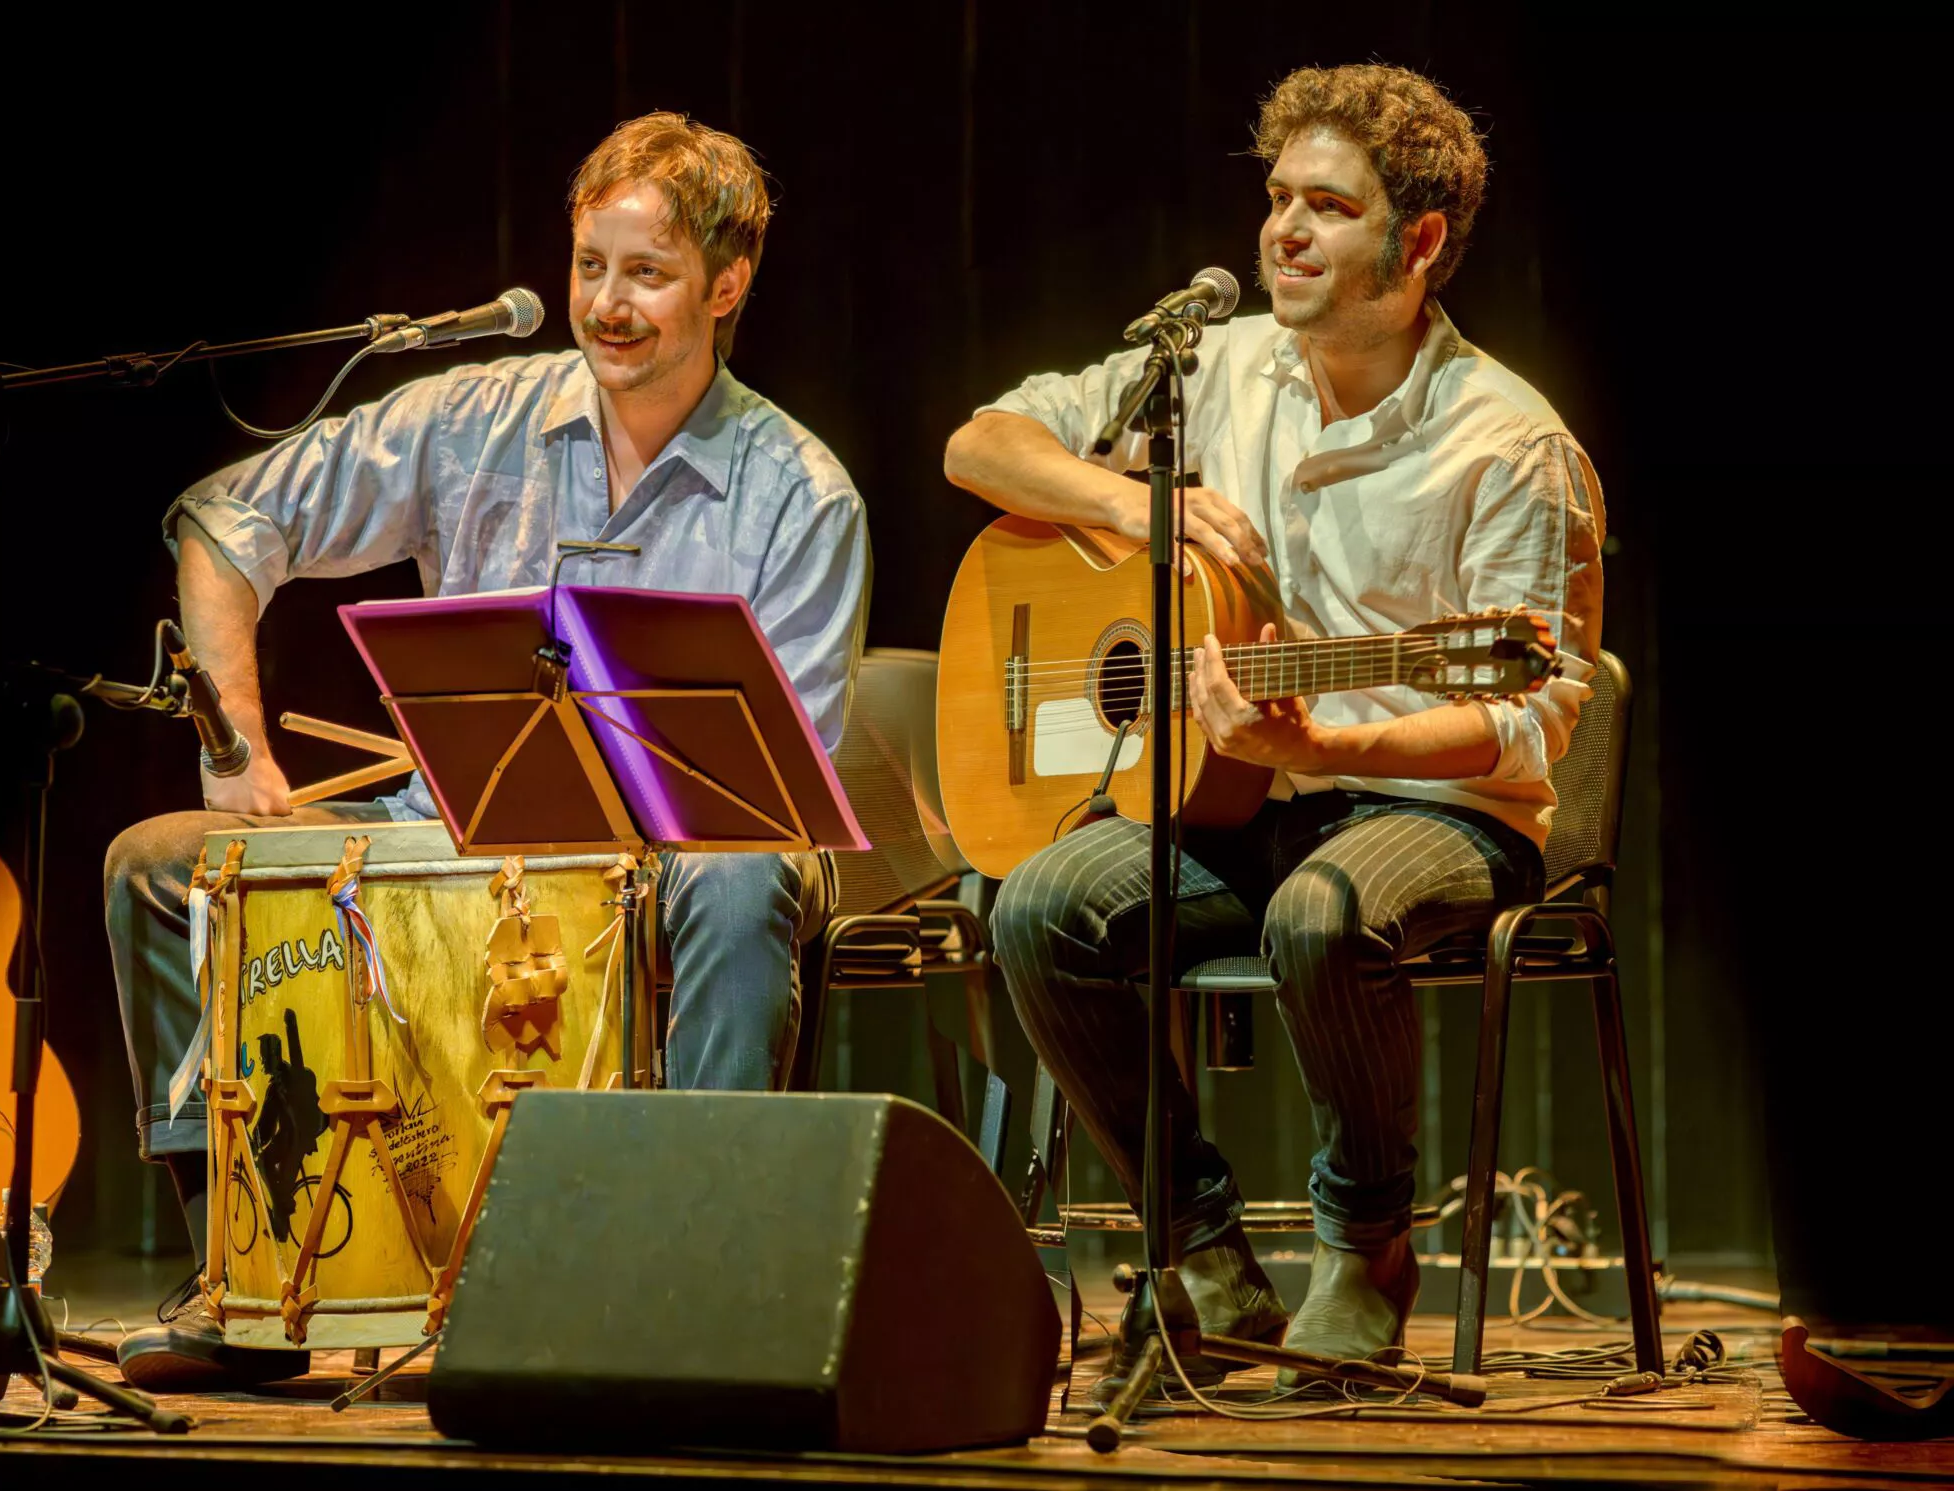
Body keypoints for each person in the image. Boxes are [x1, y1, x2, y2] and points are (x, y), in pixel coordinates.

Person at [110, 112, 871, 1389]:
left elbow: (768, 796)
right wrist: (232, 745)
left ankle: (695, 1279)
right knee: (160, 864)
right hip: (452, 822)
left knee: (743, 882)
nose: (605, 305)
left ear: (727, 285)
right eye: (589, 266)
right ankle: (244, 1269)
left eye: (647, 273)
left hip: (688, 844)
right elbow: (226, 518)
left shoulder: (800, 489)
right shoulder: (473, 415)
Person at [943, 63, 1603, 1382]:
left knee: (1321, 910)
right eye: (1277, 197)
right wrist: (1139, 507)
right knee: (1035, 907)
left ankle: (1366, 1246)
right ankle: (1200, 1252)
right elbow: (980, 442)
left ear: (1418, 244)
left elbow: (1524, 724)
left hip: (1438, 812)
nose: (1283, 231)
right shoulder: (1218, 367)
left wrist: (1326, 745)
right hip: (1241, 800)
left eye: (1328, 206)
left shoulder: (1509, 443)